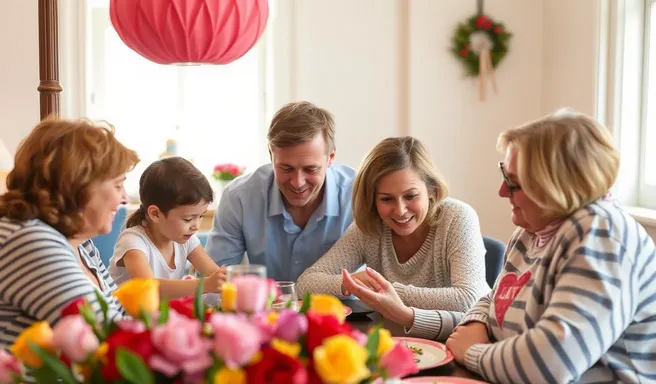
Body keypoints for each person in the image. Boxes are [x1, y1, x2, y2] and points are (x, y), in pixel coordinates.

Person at [341, 110, 656, 383]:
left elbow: (551, 362)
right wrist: (477, 322)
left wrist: (475, 353)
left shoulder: (601, 234)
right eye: (504, 174)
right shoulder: (532, 232)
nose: (502, 190)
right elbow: (490, 301)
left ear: (556, 186)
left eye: (515, 182)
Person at [0, 118, 139, 382]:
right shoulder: (26, 239)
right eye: (118, 185)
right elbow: (108, 333)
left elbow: (119, 314)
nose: (124, 199)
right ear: (79, 184)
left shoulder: (79, 243)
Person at [296, 136, 490, 311]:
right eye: (386, 199)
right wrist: (351, 283)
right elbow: (305, 284)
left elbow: (468, 299)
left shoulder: (457, 217)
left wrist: (385, 291)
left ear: (432, 190)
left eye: (411, 196)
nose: (400, 210)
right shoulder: (370, 227)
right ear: (372, 200)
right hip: (398, 340)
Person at [205, 101, 356, 281]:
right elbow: (214, 281)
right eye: (286, 168)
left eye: (310, 169)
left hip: (346, 307)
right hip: (265, 308)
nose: (297, 183)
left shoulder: (358, 194)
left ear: (330, 157)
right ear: (271, 154)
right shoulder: (239, 198)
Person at [108, 157, 226, 299]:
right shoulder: (133, 241)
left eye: (201, 216)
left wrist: (226, 280)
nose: (196, 226)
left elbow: (213, 274)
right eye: (188, 219)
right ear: (155, 214)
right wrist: (205, 285)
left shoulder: (186, 239)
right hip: (123, 318)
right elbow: (148, 287)